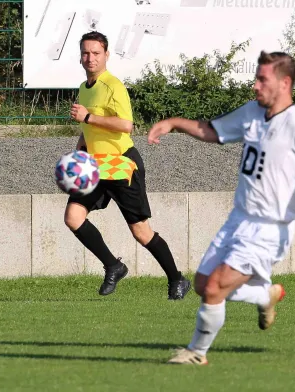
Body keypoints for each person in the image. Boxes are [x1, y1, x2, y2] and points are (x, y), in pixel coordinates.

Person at [147, 51, 295, 365]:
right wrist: (173, 123)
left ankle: (197, 352)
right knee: (201, 285)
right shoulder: (253, 111)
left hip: (268, 228)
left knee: (214, 288)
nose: (255, 85)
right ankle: (265, 295)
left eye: (263, 79)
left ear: (285, 83)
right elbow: (212, 130)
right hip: (238, 220)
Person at [65, 31, 191, 300]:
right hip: (96, 165)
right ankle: (113, 265)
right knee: (73, 218)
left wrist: (88, 117)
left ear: (106, 55)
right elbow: (90, 127)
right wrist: (79, 150)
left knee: (141, 232)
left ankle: (177, 279)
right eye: (86, 53)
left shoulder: (113, 85)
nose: (90, 58)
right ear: (80, 56)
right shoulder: (84, 87)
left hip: (121, 163)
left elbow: (126, 125)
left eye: (96, 53)